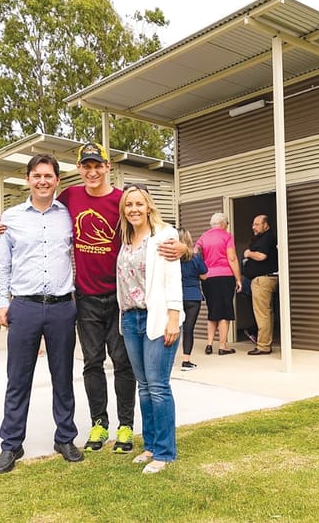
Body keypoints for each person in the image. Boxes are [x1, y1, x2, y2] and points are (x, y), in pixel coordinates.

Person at [0, 141, 184, 454]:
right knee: (91, 363)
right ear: (79, 170)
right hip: (84, 298)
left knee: (123, 364)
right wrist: (2, 225)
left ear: (108, 167)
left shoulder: (124, 200)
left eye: (98, 166)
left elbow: (157, 227)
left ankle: (124, 426)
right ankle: (98, 422)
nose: (92, 172)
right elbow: (34, 218)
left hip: (121, 299)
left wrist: (184, 247)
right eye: (86, 166)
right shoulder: (69, 198)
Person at [0, 153, 83, 474]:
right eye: (37, 176)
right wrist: (2, 302)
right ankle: (11, 444)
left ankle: (65, 438)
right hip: (24, 306)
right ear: (28, 179)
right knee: (18, 379)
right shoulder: (10, 218)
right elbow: (2, 264)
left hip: (62, 308)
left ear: (57, 180)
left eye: (48, 176)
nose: (43, 181)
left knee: (63, 377)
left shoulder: (69, 216)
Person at [116, 184, 184, 474]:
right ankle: (151, 446)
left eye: (139, 204)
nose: (134, 209)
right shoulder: (125, 239)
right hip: (131, 319)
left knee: (158, 386)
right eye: (129, 204)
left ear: (148, 207)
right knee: (143, 387)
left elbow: (173, 278)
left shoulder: (165, 235)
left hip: (157, 317)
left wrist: (173, 318)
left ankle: (165, 453)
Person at [194, 212, 242, 355]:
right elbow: (232, 258)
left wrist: (201, 270)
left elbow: (195, 253)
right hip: (225, 276)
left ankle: (209, 344)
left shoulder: (204, 236)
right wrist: (238, 279)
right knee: (225, 312)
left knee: (213, 310)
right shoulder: (227, 236)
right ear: (223, 224)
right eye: (227, 224)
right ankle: (222, 346)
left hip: (208, 278)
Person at [242, 214, 278, 355]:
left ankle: (263, 346)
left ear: (265, 225)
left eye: (257, 224)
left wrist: (248, 254)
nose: (253, 227)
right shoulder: (263, 238)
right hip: (262, 279)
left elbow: (262, 256)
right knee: (266, 313)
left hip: (262, 281)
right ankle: (264, 343)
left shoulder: (267, 238)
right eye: (253, 224)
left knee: (262, 314)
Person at [178, 228, 207, 371]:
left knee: (171, 328)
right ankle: (186, 361)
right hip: (193, 296)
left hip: (176, 296)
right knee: (188, 329)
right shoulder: (196, 257)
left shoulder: (171, 259)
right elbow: (204, 276)